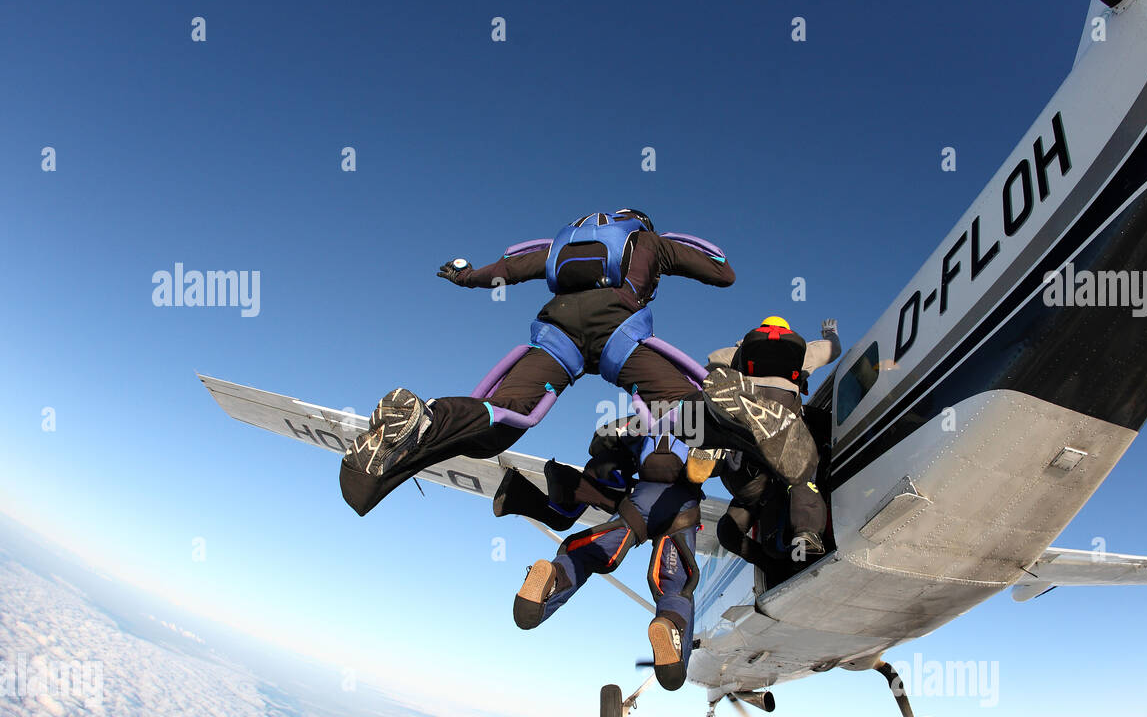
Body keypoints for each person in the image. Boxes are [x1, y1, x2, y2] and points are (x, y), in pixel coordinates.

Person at [338, 210, 815, 518]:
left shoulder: (563, 242)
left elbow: (508, 268)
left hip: (558, 331)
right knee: (679, 413)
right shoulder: (648, 241)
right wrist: (672, 247)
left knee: (509, 414)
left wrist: (467, 277)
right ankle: (728, 405)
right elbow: (723, 273)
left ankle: (426, 419)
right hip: (619, 332)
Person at [502, 416, 702, 691]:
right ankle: (671, 626)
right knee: (675, 585)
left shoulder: (643, 421)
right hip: (680, 507)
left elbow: (601, 442)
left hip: (639, 503)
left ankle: (554, 578)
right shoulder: (700, 421)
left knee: (586, 555)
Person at [706, 317, 840, 560]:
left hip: (748, 437)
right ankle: (806, 533)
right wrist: (830, 333)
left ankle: (766, 562)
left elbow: (711, 363)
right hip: (784, 425)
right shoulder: (802, 352)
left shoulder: (736, 352)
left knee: (729, 528)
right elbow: (834, 350)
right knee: (801, 477)